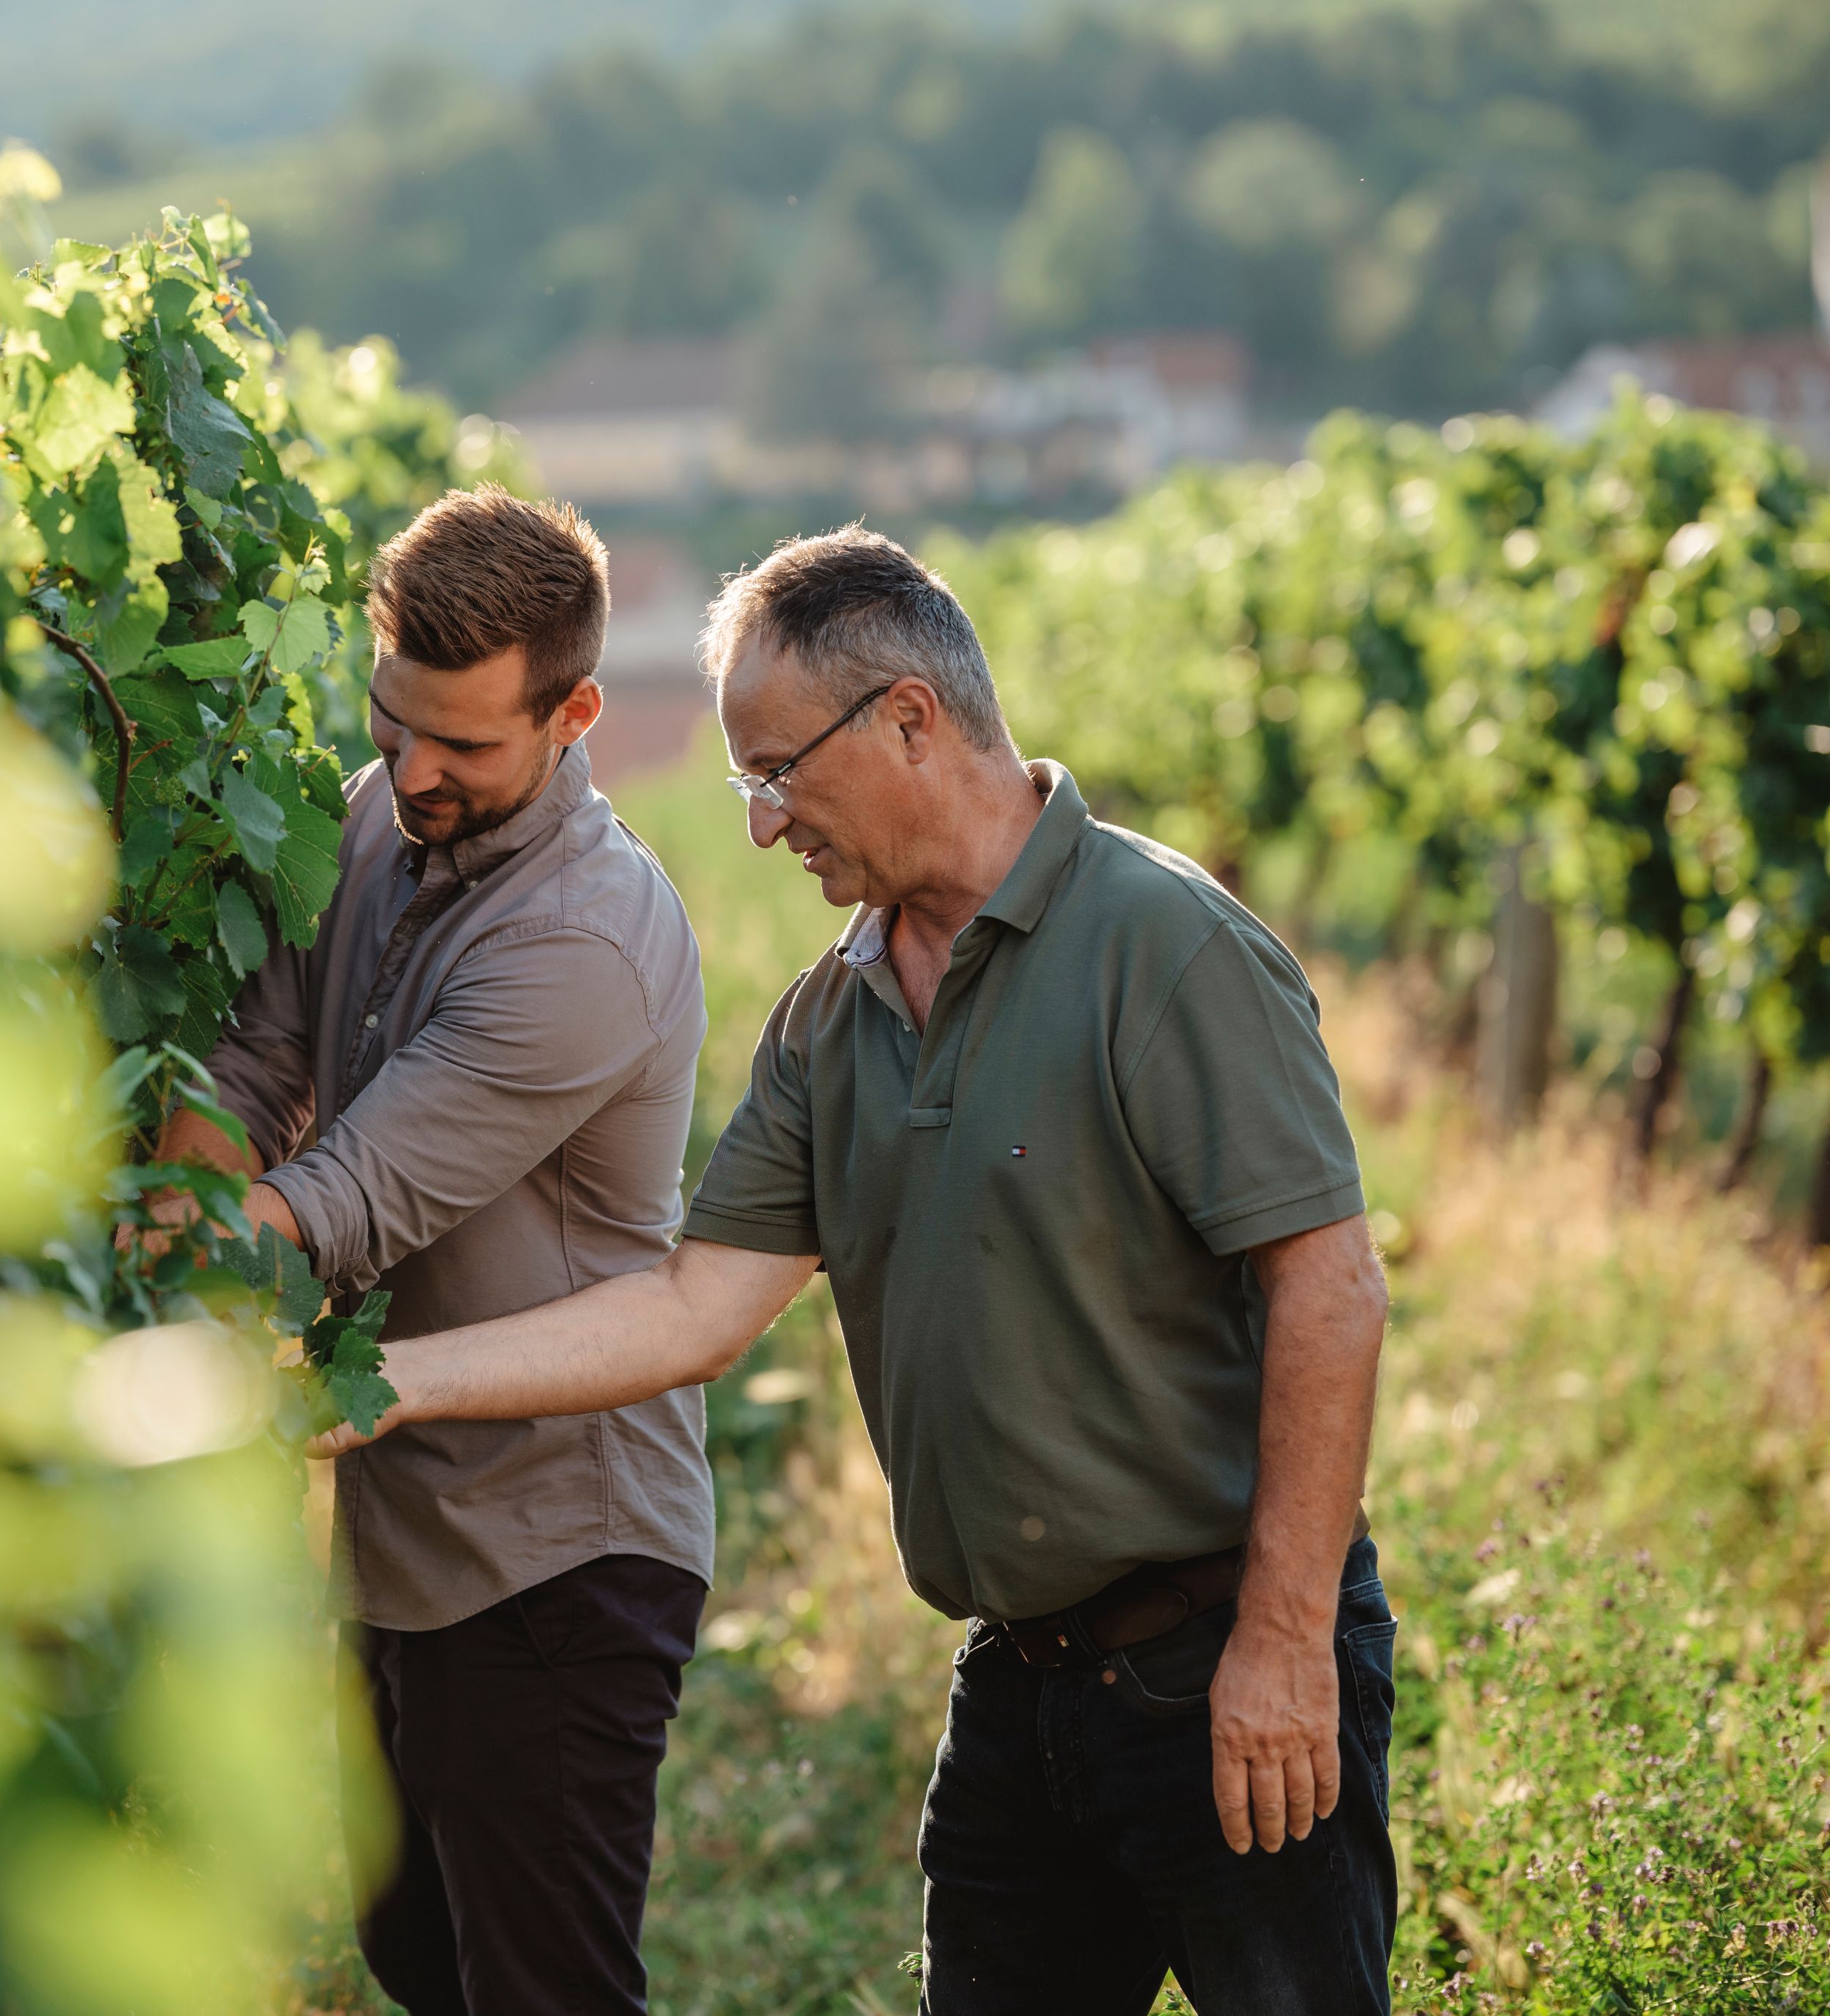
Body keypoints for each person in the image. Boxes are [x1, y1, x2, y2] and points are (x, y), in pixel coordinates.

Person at [314, 527, 1398, 2014]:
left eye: (772, 773)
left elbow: (1328, 1290)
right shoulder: (832, 1020)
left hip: (1215, 1661)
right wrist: (371, 1389)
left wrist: (1281, 1647)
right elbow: (693, 1306)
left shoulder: (1162, 947)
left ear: (905, 720)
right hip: (1020, 1681)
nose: (759, 824)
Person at [164, 486, 709, 2016]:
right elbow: (258, 1058)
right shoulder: (374, 813)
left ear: (574, 711)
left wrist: (137, 1295)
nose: (413, 770)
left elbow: (337, 1202)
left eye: (462, 746)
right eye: (393, 719)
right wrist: (183, 1182)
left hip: (555, 1553)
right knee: (419, 1966)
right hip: (406, 1524)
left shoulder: (581, 946)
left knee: (537, 1992)